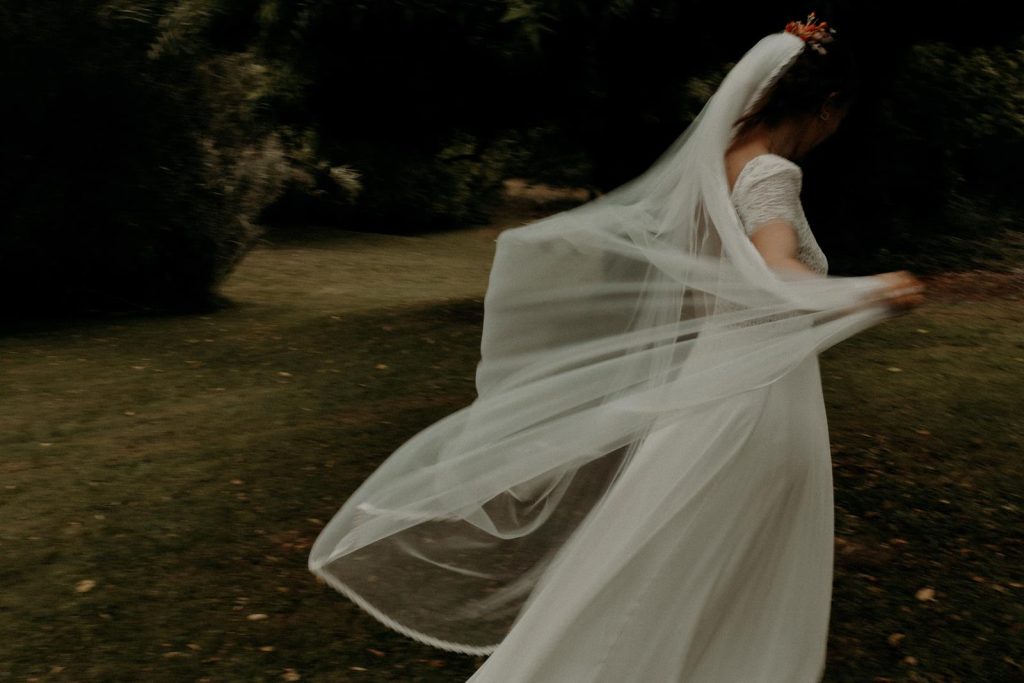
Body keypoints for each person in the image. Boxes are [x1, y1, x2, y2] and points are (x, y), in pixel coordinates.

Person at [309, 15, 924, 683]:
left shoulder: (718, 165)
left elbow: (703, 294)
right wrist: (865, 291)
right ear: (828, 105)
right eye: (838, 116)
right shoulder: (771, 172)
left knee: (658, 556)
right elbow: (778, 269)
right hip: (757, 400)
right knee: (712, 562)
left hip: (715, 381)